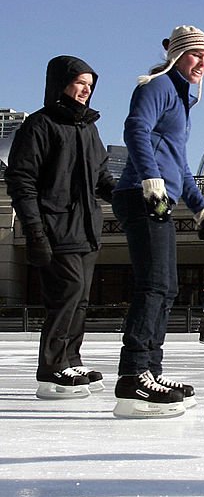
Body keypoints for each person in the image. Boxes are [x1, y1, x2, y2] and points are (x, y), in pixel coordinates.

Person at [111, 26, 204, 418]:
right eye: (195, 55)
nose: (203, 63)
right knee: (154, 284)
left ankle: (151, 371)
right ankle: (133, 375)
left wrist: (201, 209)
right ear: (177, 55)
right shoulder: (157, 86)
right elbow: (134, 129)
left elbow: (181, 165)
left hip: (161, 197)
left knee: (167, 286)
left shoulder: (182, 100)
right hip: (140, 196)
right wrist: (149, 179)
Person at [5, 56, 117, 400]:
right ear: (60, 84)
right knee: (66, 295)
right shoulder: (40, 125)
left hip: (86, 227)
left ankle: (71, 358)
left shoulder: (89, 128)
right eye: (78, 82)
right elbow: (21, 180)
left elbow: (101, 178)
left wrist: (127, 196)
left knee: (80, 299)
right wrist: (35, 232)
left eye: (89, 84)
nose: (84, 90)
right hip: (54, 225)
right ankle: (51, 367)